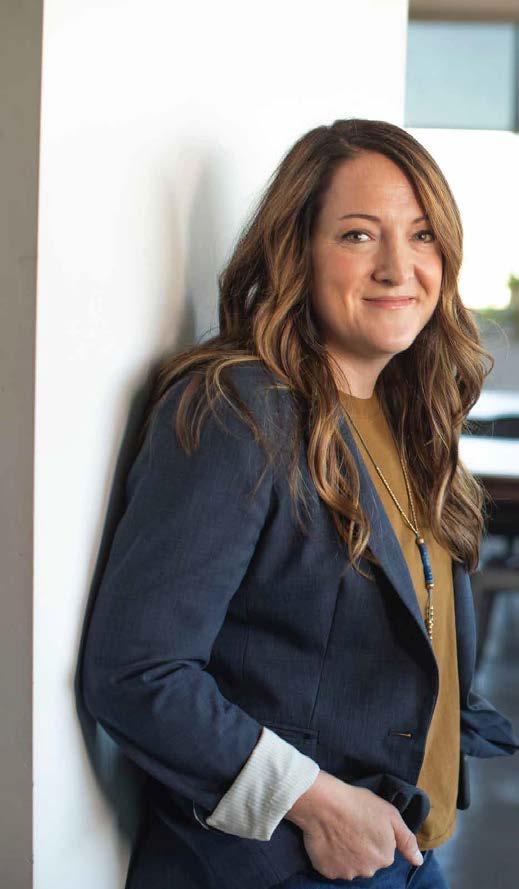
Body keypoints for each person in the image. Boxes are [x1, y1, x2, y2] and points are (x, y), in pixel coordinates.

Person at [81, 118, 519, 889]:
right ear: (298, 250)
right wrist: (315, 803)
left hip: (405, 845)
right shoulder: (239, 408)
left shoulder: (409, 412)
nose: (397, 266)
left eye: (420, 234)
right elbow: (138, 670)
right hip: (294, 861)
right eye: (357, 235)